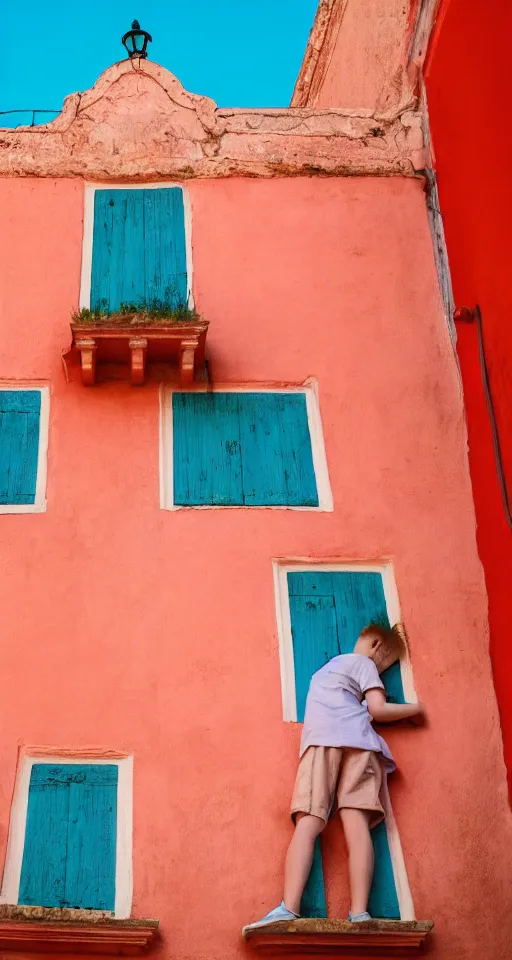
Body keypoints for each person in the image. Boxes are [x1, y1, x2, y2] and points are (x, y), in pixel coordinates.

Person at [243, 623, 425, 930]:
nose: (379, 673)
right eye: (384, 666)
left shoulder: (328, 671)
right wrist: (414, 709)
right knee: (357, 827)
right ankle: (360, 912)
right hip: (359, 746)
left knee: (309, 822)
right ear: (376, 645)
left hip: (321, 741)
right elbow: (378, 710)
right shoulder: (364, 663)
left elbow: (367, 708)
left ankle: (289, 906)